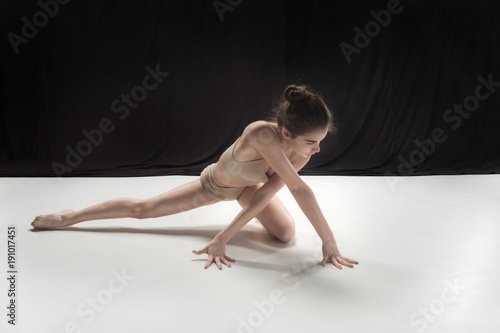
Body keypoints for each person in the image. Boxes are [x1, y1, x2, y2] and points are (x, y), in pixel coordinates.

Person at [31, 84, 359, 271]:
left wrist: (223, 237)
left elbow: (263, 194)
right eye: (311, 142)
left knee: (286, 234)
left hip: (250, 189)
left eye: (321, 140)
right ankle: (70, 218)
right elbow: (299, 190)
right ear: (286, 131)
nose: (317, 150)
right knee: (143, 210)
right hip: (215, 187)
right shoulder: (261, 134)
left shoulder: (299, 152)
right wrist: (327, 241)